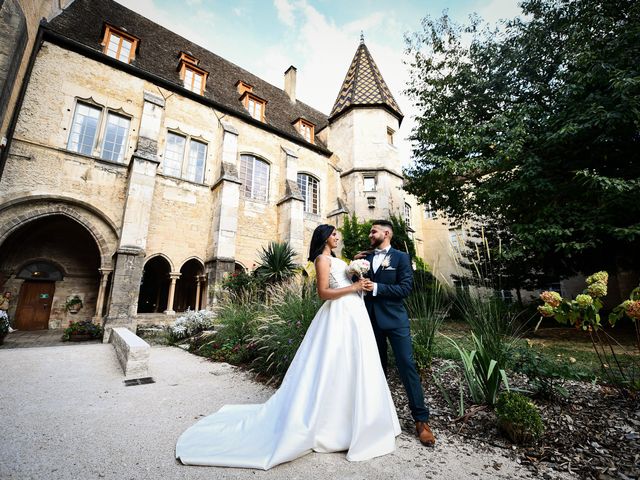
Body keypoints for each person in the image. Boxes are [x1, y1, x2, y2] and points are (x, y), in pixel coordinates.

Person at [176, 224, 400, 470]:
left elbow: (343, 276)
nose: (337, 238)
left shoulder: (336, 259)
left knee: (354, 363)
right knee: (334, 363)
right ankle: (333, 425)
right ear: (325, 238)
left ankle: (362, 420)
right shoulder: (321, 259)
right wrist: (355, 287)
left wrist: (353, 267)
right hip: (339, 314)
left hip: (354, 314)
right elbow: (324, 293)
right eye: (335, 234)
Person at [358, 219, 435, 447]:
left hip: (395, 320)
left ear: (387, 233)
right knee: (376, 368)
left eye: (374, 231)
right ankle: (378, 418)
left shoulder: (401, 258)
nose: (371, 235)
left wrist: (377, 288)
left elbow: (405, 288)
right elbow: (355, 282)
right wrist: (355, 268)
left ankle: (421, 421)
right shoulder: (365, 258)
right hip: (370, 320)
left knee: (407, 365)